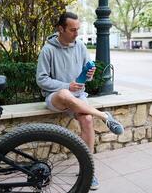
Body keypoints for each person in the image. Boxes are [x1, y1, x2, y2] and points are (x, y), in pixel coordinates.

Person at [36, 12, 124, 190]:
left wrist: (88, 75)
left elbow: (85, 77)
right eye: (72, 30)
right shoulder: (48, 50)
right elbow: (42, 79)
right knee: (64, 94)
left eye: (78, 29)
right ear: (60, 29)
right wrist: (67, 85)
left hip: (78, 97)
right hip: (57, 98)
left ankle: (88, 171)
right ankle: (104, 116)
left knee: (87, 119)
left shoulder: (81, 47)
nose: (76, 33)